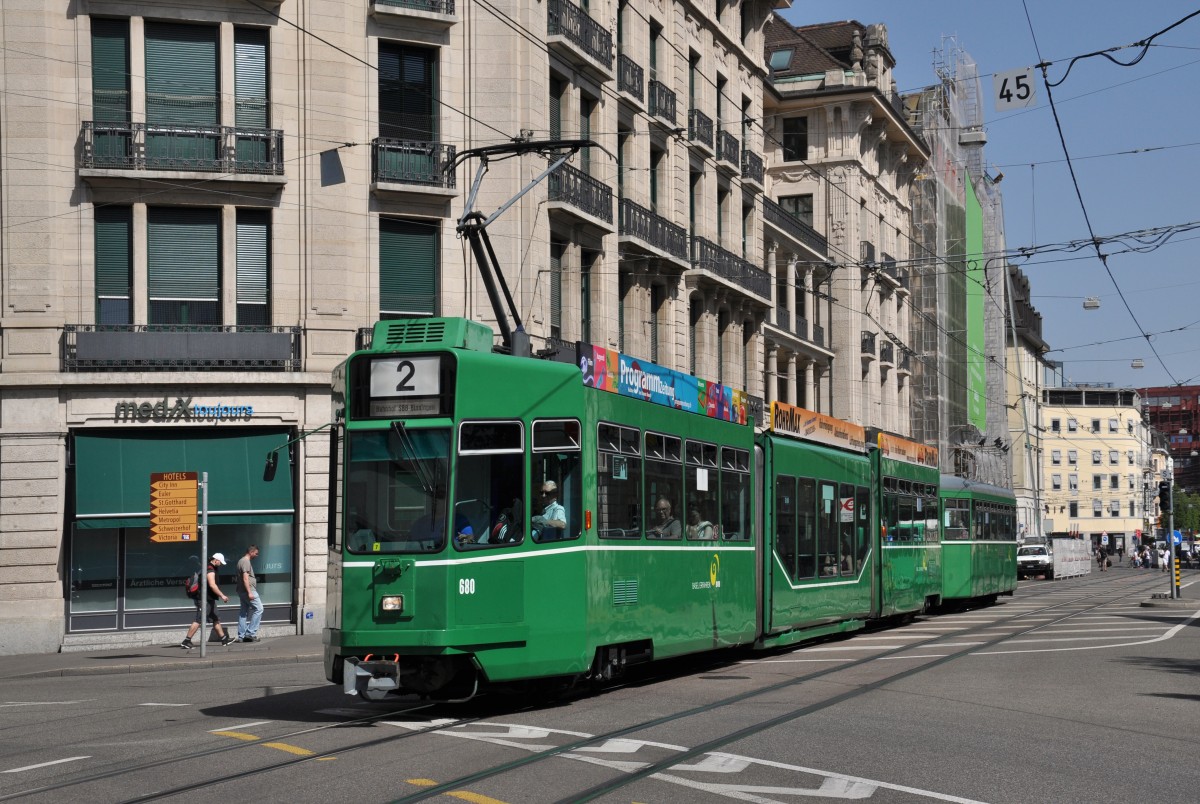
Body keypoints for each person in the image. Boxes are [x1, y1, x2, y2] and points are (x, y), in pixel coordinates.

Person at [181, 552, 233, 649]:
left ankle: (224, 639)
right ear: (216, 560)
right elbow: (212, 585)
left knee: (215, 618)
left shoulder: (209, 568)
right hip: (204, 599)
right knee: (199, 620)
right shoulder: (210, 570)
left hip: (209, 599)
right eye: (220, 562)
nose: (221, 564)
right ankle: (186, 641)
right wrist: (222, 595)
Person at [237, 545, 264, 643]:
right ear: (251, 552)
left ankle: (241, 636)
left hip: (241, 590)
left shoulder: (241, 561)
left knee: (243, 612)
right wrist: (249, 592)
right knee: (259, 609)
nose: (256, 555)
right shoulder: (246, 561)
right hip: (249, 590)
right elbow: (245, 578)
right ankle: (250, 634)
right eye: (256, 553)